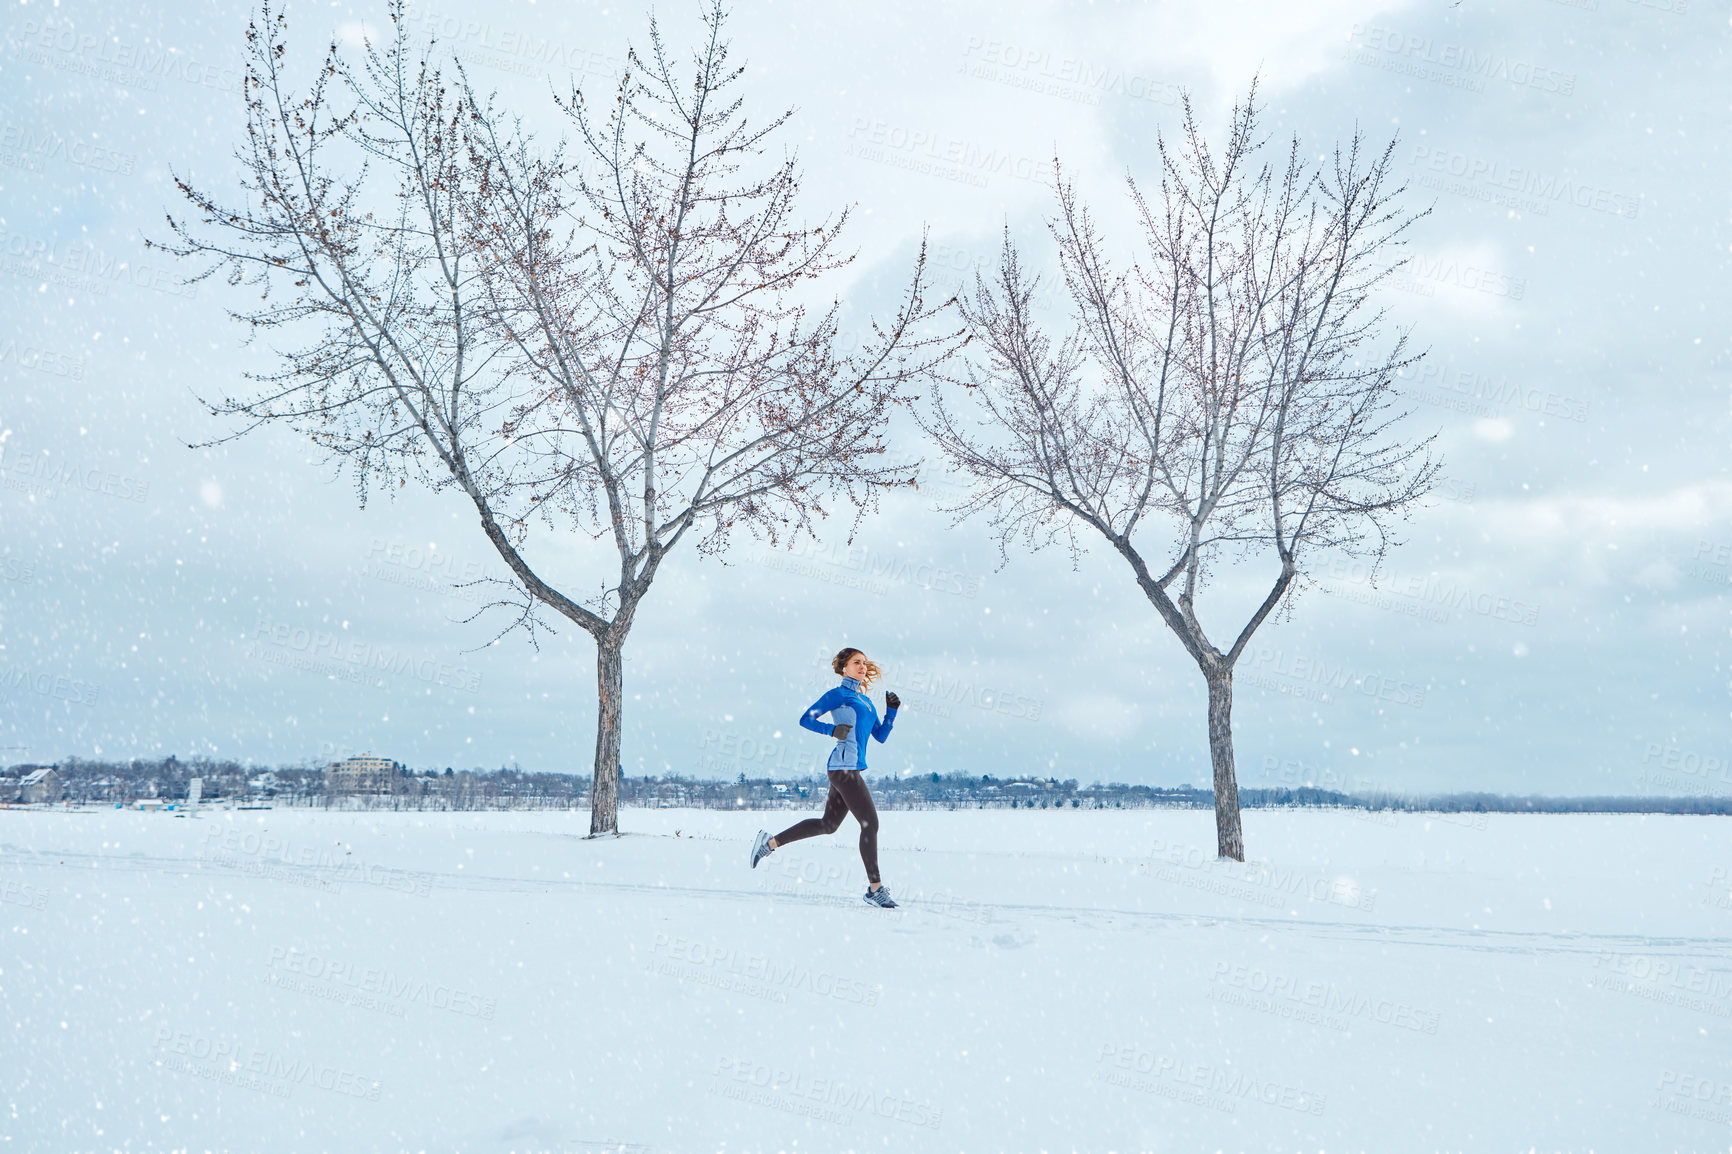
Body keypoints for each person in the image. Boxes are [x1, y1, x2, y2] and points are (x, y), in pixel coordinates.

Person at [750, 647, 901, 908]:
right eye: (856, 662)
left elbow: (881, 736)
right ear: (844, 668)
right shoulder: (837, 695)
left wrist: (891, 712)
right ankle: (875, 889)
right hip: (843, 768)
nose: (862, 667)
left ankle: (769, 842)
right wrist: (832, 729)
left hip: (849, 768)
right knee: (870, 824)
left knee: (828, 825)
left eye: (864, 663)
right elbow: (805, 719)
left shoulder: (865, 701)